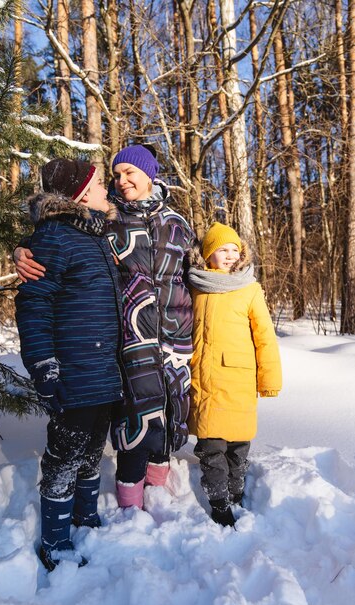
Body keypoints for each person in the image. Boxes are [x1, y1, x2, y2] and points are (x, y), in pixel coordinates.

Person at [15, 145, 196, 510]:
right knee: (134, 423)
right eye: (116, 174)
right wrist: (21, 249)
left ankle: (157, 493)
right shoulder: (107, 218)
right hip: (128, 343)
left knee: (169, 417)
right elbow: (59, 234)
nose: (122, 180)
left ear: (150, 173)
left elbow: (201, 272)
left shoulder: (178, 223)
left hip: (176, 341)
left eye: (130, 172)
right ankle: (130, 504)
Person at [15, 157, 124, 571]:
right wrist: (43, 364)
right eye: (98, 185)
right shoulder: (54, 239)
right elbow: (34, 305)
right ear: (78, 194)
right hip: (74, 372)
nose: (105, 191)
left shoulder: (95, 236)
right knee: (64, 456)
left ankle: (85, 516)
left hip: (102, 371)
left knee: (93, 447)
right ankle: (56, 541)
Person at [187, 222, 282, 527]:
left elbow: (264, 336)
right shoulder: (194, 286)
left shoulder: (249, 288)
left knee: (238, 446)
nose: (229, 255)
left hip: (239, 380)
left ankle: (237, 492)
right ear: (207, 253)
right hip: (204, 381)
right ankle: (219, 503)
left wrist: (270, 379)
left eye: (233, 250)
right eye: (221, 249)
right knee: (211, 447)